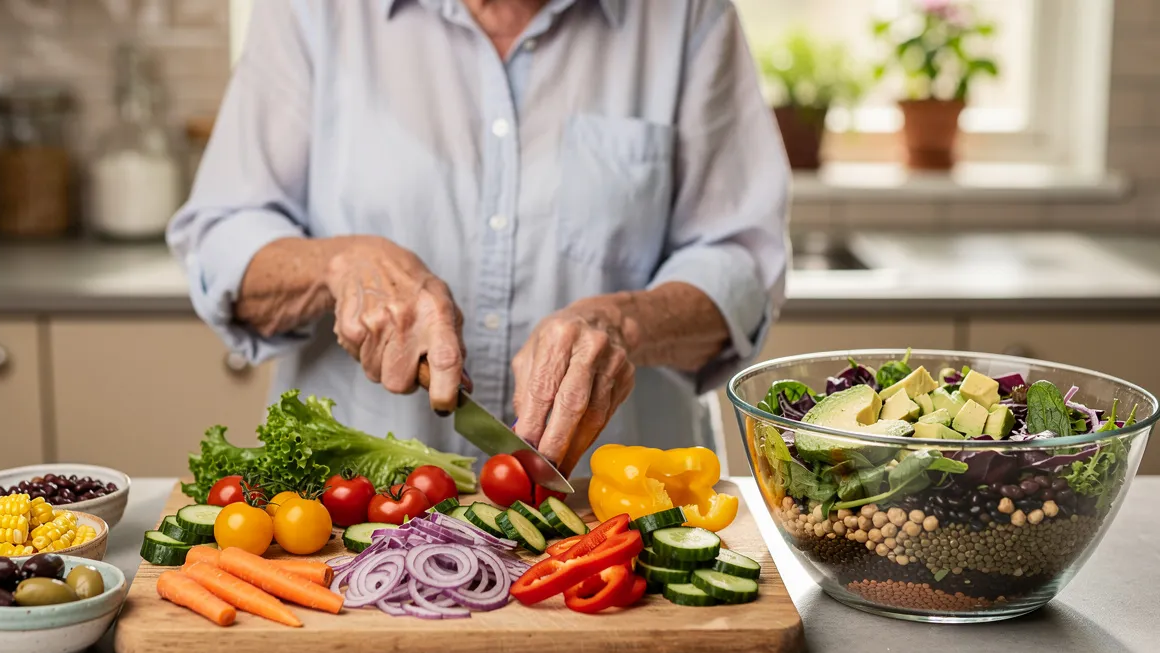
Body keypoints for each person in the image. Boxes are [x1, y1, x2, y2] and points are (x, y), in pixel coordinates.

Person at [169, 0, 788, 476]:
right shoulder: (313, 12)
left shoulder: (686, 15)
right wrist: (339, 263)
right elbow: (224, 236)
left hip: (621, 522)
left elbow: (741, 262)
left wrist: (626, 322)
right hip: (353, 523)